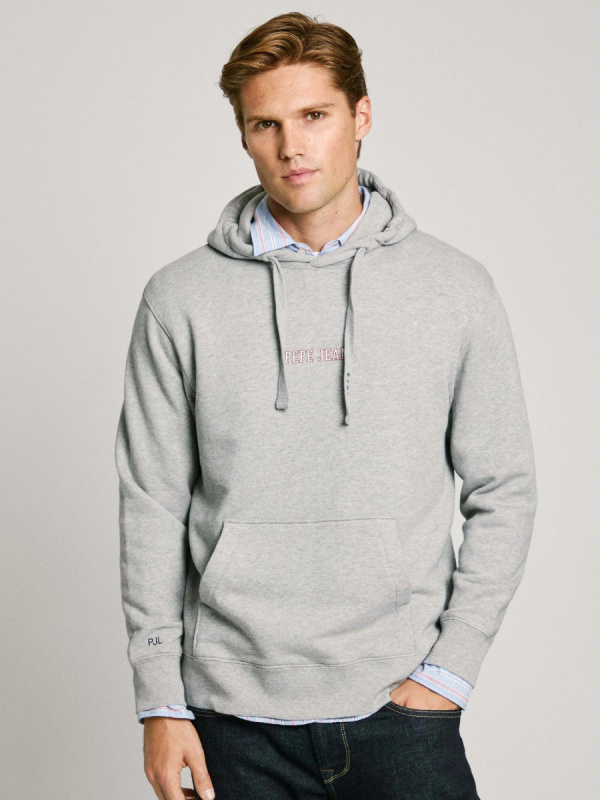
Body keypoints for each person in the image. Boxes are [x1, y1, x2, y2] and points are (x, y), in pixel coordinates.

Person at [114, 11, 537, 800]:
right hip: (229, 718)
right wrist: (160, 701)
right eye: (265, 124)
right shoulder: (180, 299)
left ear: (361, 115)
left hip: (402, 708)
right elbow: (151, 503)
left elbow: (504, 488)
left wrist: (452, 670)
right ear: (244, 136)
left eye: (314, 115)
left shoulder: (453, 288)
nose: (291, 147)